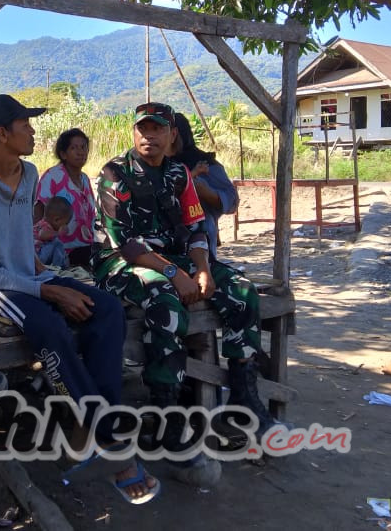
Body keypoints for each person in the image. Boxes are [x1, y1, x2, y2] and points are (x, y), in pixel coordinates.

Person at [0, 94, 159, 505]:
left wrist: (47, 275)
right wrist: (48, 290)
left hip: (27, 276)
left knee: (108, 309)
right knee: (50, 326)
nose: (32, 130)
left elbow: (23, 239)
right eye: (24, 124)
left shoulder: (28, 174)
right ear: (2, 133)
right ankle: (110, 443)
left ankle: (98, 431)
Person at [94, 102, 282, 482]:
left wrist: (203, 269)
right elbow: (125, 243)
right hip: (122, 263)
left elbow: (196, 228)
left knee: (243, 292)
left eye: (157, 129)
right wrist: (175, 273)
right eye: (142, 129)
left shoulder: (180, 173)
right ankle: (167, 416)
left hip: (176, 258)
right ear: (133, 132)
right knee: (166, 306)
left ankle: (242, 396)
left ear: (171, 134)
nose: (149, 136)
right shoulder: (115, 173)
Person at [170, 113, 238, 259]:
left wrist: (207, 193)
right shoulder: (143, 165)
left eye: (162, 130)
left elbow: (232, 202)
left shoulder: (203, 164)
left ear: (176, 134)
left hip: (200, 244)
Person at [36, 128, 98, 268]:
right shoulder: (53, 177)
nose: (80, 152)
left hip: (86, 245)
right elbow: (39, 214)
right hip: (60, 249)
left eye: (83, 147)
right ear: (63, 154)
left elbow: (91, 215)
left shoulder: (85, 179)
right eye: (73, 148)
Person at [34, 195, 72, 268]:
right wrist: (58, 233)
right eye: (66, 223)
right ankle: (58, 267)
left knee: (56, 244)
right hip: (38, 256)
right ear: (56, 220)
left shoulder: (44, 224)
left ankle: (60, 264)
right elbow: (42, 234)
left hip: (37, 256)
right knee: (57, 243)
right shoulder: (45, 225)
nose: (66, 226)